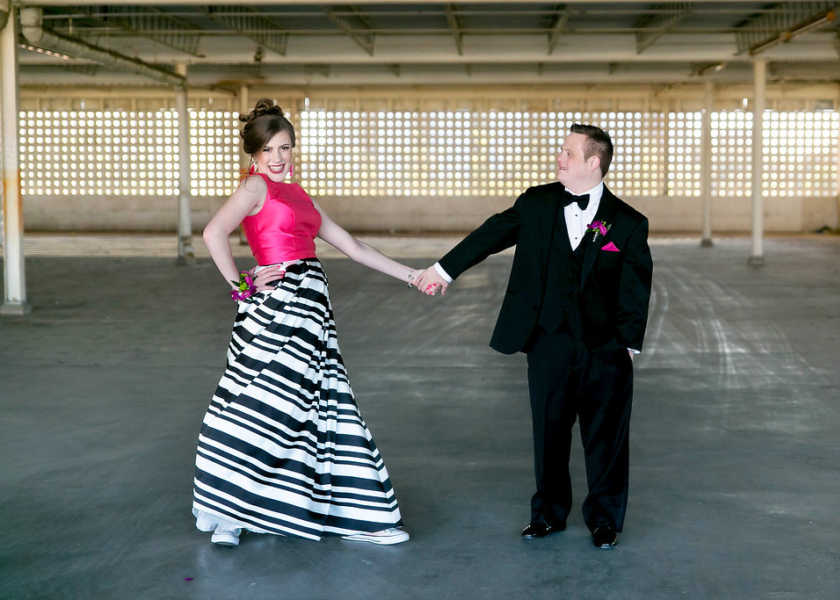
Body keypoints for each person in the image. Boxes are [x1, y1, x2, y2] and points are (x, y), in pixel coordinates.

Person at [193, 99, 424, 547]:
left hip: (312, 309)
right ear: (254, 156)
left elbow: (353, 247)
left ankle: (362, 513)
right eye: (269, 151)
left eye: (285, 148)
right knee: (254, 405)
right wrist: (241, 287)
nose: (278, 159)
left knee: (317, 407)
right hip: (274, 308)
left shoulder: (301, 196)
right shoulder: (254, 188)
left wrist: (412, 275)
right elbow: (212, 233)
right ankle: (227, 512)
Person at [415, 124, 652, 549]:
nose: (559, 158)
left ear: (593, 162)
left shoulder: (629, 223)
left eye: (567, 152)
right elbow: (490, 235)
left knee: (606, 438)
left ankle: (605, 520)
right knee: (549, 432)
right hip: (548, 342)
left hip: (605, 349)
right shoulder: (537, 203)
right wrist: (442, 270)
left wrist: (628, 345)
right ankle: (547, 515)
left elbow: (636, 286)